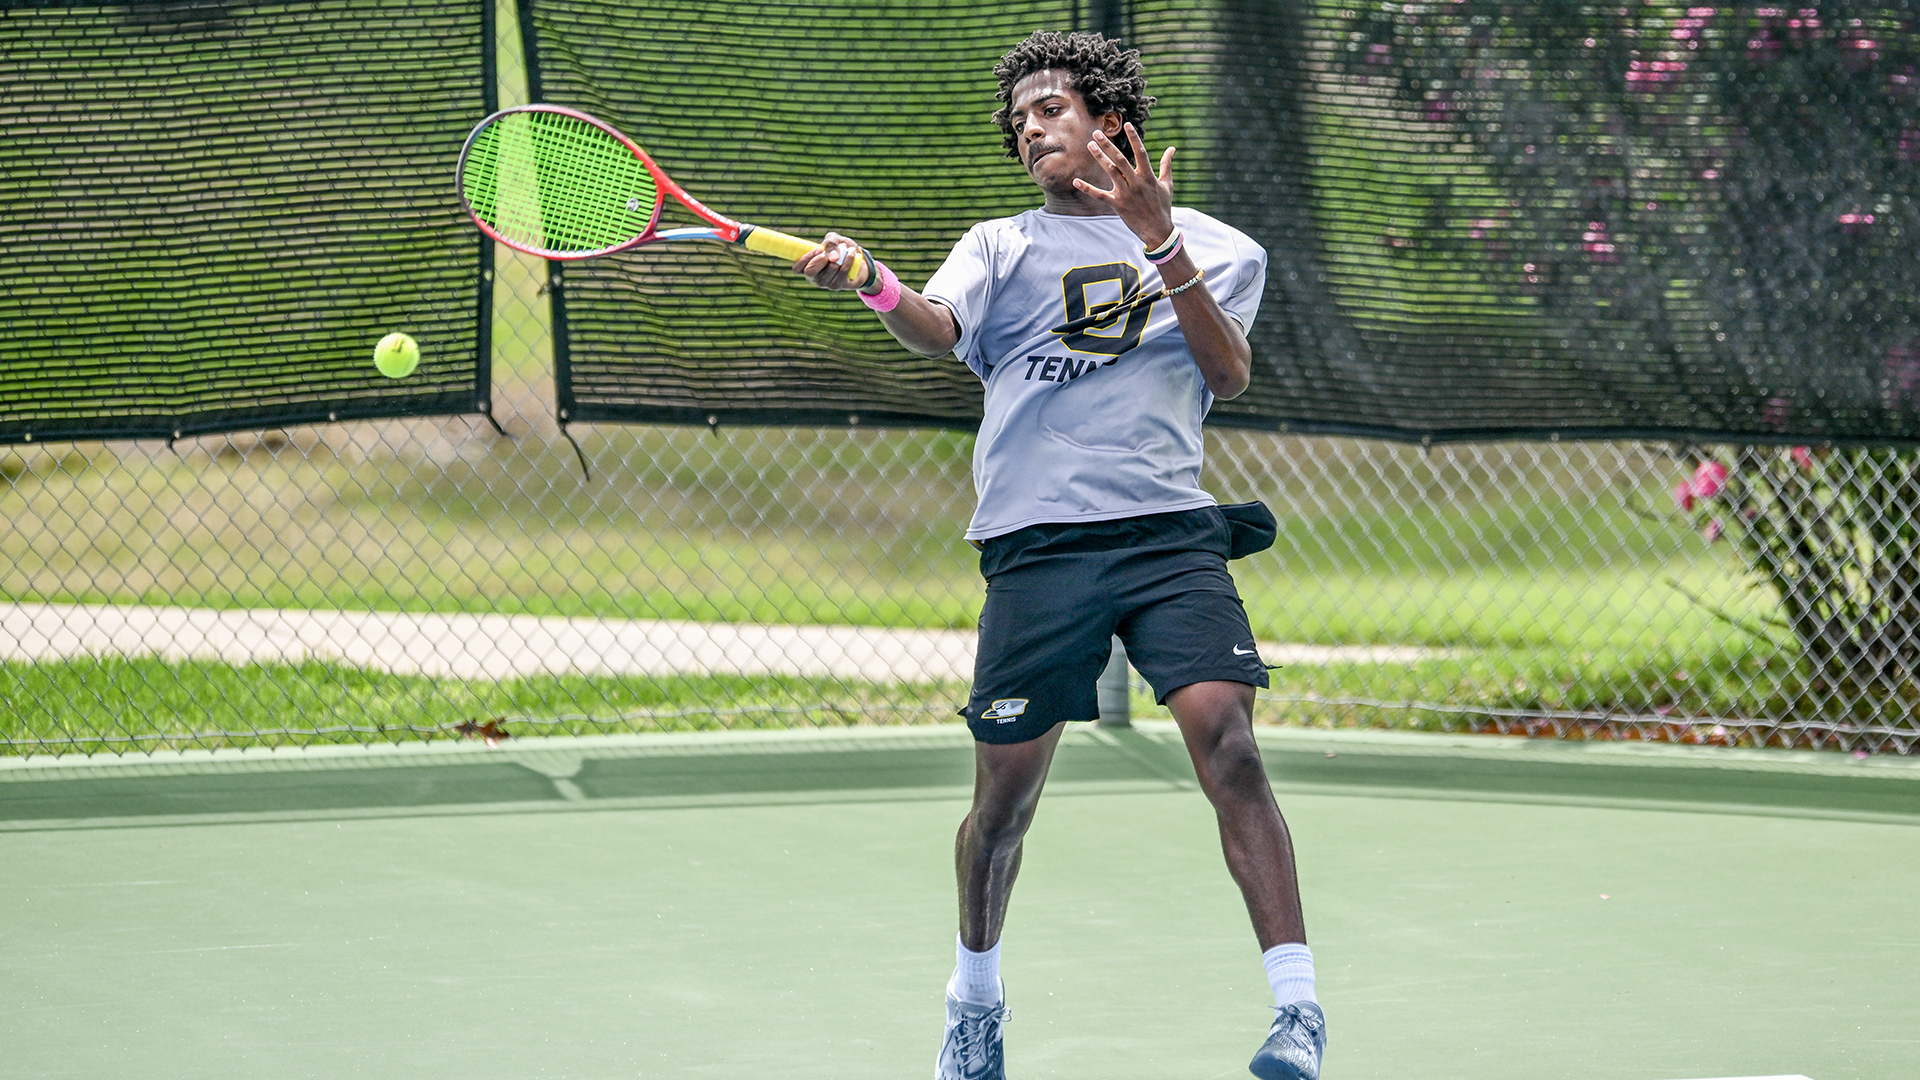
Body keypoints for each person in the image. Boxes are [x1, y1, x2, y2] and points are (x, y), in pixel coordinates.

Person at [790, 29, 1324, 1080]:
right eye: (1022, 115)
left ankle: (1298, 1016)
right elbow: (940, 331)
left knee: (1232, 746)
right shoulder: (1000, 245)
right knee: (1003, 805)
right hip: (1037, 548)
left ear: (1112, 121)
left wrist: (1159, 245)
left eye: (1053, 107)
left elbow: (1228, 374)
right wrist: (870, 279)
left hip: (1169, 536)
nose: (1032, 126)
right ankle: (974, 1002)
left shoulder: (1223, 249)